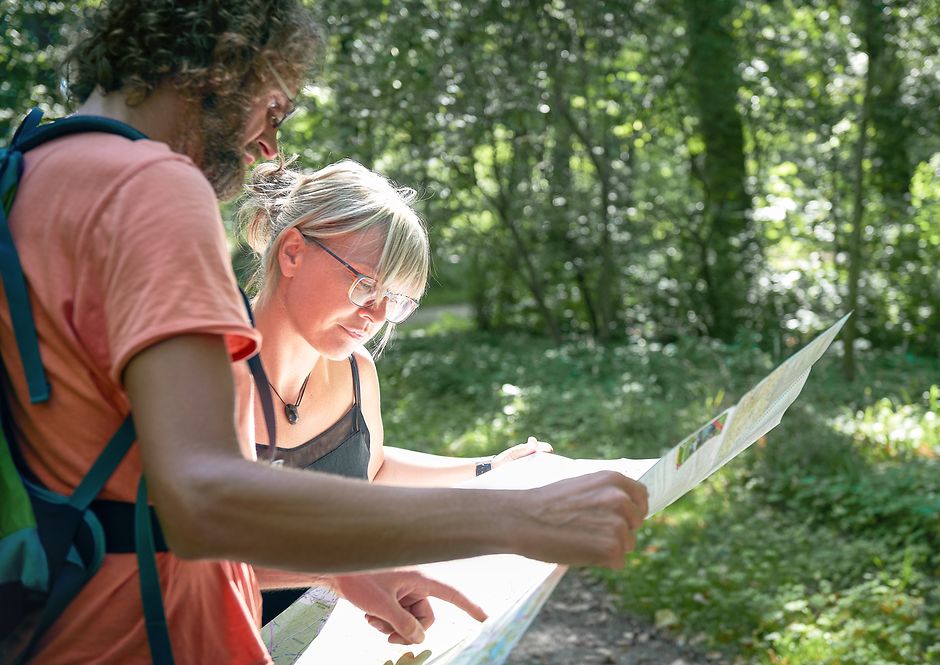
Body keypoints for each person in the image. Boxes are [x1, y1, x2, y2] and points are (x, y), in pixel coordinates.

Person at [1, 2, 648, 663]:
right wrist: (522, 518)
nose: (267, 147)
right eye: (273, 108)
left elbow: (132, 511)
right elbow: (205, 499)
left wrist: (343, 569)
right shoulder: (150, 184)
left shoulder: (28, 173)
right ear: (223, 65)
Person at [236, 157, 553, 623]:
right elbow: (185, 554)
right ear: (292, 252)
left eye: (396, 299)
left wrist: (489, 467)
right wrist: (342, 573)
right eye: (365, 285)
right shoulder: (206, 376)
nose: (377, 315)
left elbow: (371, 467)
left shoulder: (355, 373)